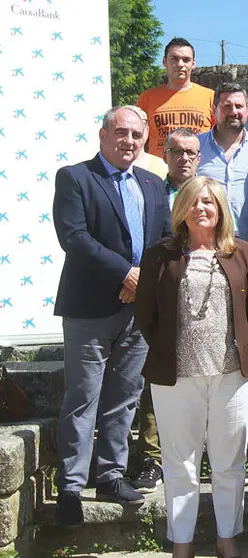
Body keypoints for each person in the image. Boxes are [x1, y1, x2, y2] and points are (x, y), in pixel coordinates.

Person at [52, 106, 172, 526]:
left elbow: (168, 241)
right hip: (89, 308)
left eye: (137, 135)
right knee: (82, 397)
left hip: (138, 311)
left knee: (124, 398)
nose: (129, 141)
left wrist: (145, 281)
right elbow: (75, 238)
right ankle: (70, 484)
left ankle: (110, 475)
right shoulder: (76, 178)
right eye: (120, 133)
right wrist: (127, 273)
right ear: (103, 135)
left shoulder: (154, 184)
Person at [135, 175, 248, 558]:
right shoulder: (160, 255)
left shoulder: (245, 252)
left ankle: (227, 538)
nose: (201, 208)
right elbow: (146, 314)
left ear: (221, 208)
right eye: (194, 201)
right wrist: (166, 349)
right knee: (180, 464)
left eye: (209, 202)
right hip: (176, 376)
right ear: (182, 209)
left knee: (229, 462)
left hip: (232, 376)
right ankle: (183, 543)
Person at [130, 127, 202, 495]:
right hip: (159, 294)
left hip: (204, 300)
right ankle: (152, 458)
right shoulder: (148, 190)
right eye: (176, 151)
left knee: (202, 377)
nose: (183, 158)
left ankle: (201, 455)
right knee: (156, 376)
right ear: (164, 153)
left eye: (190, 152)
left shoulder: (208, 193)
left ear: (199, 157)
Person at [196, 82, 248, 256]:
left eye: (239, 106)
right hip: (207, 248)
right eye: (227, 106)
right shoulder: (196, 147)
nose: (234, 112)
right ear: (214, 109)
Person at [137, 38, 214, 158]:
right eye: (174, 59)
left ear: (193, 64)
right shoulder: (147, 98)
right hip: (158, 173)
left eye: (186, 60)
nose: (180, 64)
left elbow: (219, 139)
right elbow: (138, 138)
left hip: (198, 172)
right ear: (164, 62)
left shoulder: (210, 97)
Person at [162, 128, 201, 207]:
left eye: (191, 152)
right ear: (165, 157)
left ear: (198, 159)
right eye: (177, 152)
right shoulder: (154, 194)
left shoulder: (210, 193)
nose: (185, 158)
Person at [129, 105, 169, 180]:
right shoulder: (111, 166)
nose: (134, 130)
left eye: (140, 124)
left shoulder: (163, 166)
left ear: (147, 130)